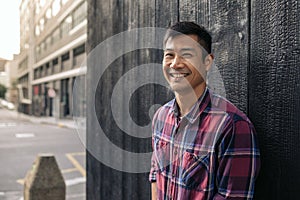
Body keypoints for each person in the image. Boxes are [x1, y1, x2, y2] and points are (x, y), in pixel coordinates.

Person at [149, 21, 260, 199]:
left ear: (207, 62)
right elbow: (156, 175)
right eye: (169, 55)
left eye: (186, 55)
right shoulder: (160, 117)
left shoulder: (232, 126)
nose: (175, 64)